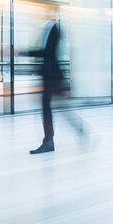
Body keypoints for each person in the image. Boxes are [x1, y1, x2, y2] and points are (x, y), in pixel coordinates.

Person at [21, 11, 79, 154]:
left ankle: (51, 141)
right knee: (51, 109)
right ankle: (49, 140)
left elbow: (47, 52)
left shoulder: (54, 28)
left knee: (51, 109)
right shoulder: (45, 29)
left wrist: (22, 52)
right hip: (49, 75)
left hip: (52, 75)